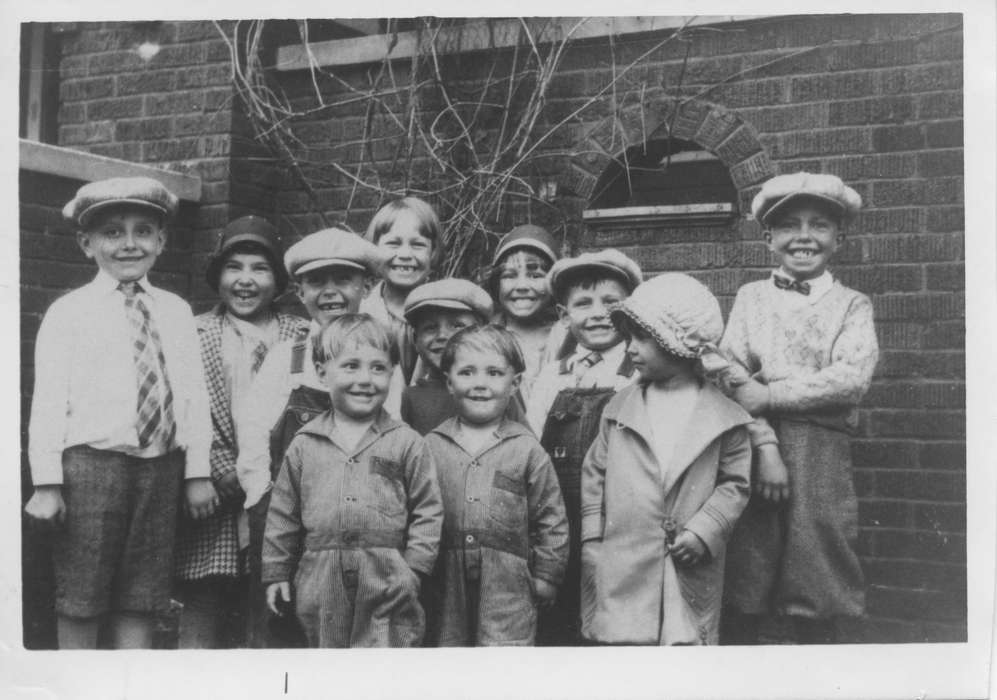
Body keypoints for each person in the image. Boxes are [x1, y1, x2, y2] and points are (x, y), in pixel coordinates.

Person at [25, 177, 215, 649]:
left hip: (160, 468)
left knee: (142, 595)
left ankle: (131, 682)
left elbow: (193, 396)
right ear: (86, 244)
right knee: (82, 594)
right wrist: (47, 483)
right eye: (112, 232)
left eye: (143, 231)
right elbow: (47, 401)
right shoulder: (69, 312)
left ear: (162, 240)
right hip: (91, 469)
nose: (129, 243)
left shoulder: (174, 311)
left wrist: (198, 472)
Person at [719, 172, 879, 645]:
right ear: (769, 238)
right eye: (789, 225)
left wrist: (771, 392)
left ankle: (815, 651)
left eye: (820, 226)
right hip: (755, 439)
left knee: (818, 549)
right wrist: (765, 442)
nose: (804, 237)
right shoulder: (751, 298)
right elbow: (730, 375)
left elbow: (851, 378)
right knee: (755, 551)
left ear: (839, 238)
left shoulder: (853, 305)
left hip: (821, 448)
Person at [234, 226, 400, 646]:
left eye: (342, 279)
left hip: (357, 514)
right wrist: (261, 496)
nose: (330, 291)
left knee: (353, 623)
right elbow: (253, 433)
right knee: (280, 623)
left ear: (367, 285)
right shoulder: (286, 358)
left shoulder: (382, 355)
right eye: (316, 281)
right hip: (285, 515)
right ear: (301, 291)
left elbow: (394, 433)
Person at [579, 273, 752, 645]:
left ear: (677, 344)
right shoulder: (619, 408)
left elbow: (735, 485)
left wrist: (704, 531)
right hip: (624, 558)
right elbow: (594, 472)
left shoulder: (724, 417)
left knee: (682, 650)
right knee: (624, 652)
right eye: (628, 338)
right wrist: (592, 536)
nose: (630, 349)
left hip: (687, 562)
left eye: (641, 338)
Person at [262, 314, 443, 647]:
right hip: (320, 573)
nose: (365, 379)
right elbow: (282, 514)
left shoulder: (406, 441)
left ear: (392, 372)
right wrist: (275, 572)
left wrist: (414, 569)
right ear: (321, 372)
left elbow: (428, 509)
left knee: (387, 665)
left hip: (388, 574)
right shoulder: (305, 442)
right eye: (351, 366)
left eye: (378, 368)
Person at [173, 215, 308, 648]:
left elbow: (301, 413)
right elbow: (185, 407)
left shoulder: (302, 338)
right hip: (214, 494)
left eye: (259, 268)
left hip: (277, 493)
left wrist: (267, 475)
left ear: (280, 280)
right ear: (218, 275)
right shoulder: (195, 334)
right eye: (235, 267)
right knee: (205, 601)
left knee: (268, 602)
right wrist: (217, 470)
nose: (246, 280)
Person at [423, 325, 568, 645]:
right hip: (444, 580)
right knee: (447, 649)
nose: (480, 384)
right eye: (467, 372)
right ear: (449, 382)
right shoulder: (430, 446)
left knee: (505, 654)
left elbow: (551, 516)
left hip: (508, 581)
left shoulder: (526, 448)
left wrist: (547, 574)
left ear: (514, 383)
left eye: (493, 373)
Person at [525, 249, 642, 645]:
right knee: (559, 609)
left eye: (611, 302)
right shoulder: (553, 375)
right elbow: (532, 436)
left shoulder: (639, 370)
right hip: (557, 511)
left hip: (615, 510)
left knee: (610, 605)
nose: (597, 313)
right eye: (583, 303)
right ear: (563, 316)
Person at [401, 278, 527, 435]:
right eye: (430, 328)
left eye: (457, 326)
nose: (442, 336)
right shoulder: (412, 397)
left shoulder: (499, 390)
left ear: (482, 333)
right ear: (415, 339)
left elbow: (525, 444)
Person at [362, 197, 442, 384]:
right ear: (374, 250)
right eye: (394, 243)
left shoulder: (446, 313)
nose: (405, 254)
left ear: (433, 252)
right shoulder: (361, 312)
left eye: (418, 245)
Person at [486, 224, 568, 405]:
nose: (521, 286)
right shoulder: (486, 337)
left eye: (535, 276)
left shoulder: (568, 336)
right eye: (509, 275)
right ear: (496, 284)